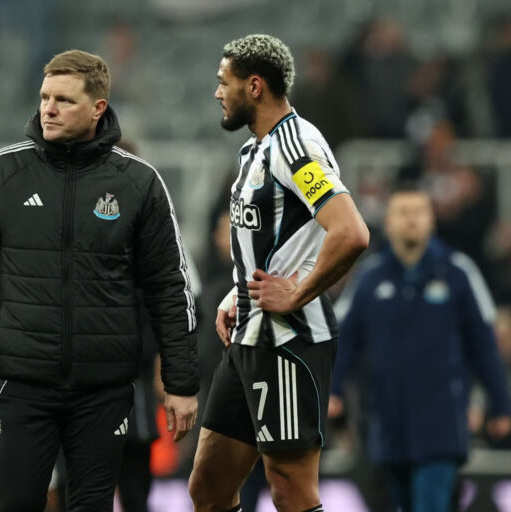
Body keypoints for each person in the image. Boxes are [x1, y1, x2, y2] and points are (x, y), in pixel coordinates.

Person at [0, 49, 199, 512]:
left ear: (98, 108)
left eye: (63, 99)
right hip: (22, 384)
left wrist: (180, 383)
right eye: (44, 97)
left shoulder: (138, 182)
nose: (49, 109)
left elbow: (168, 287)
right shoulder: (2, 173)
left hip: (104, 389)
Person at [188, 34, 370, 512]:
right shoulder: (254, 151)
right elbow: (269, 241)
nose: (216, 93)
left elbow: (350, 232)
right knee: (207, 485)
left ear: (254, 86)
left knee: (289, 487)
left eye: (222, 82)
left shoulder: (295, 146)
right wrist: (236, 292)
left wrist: (300, 293)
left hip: (288, 341)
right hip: (247, 336)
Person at [329, 187, 511, 512]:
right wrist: (333, 390)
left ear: (432, 221)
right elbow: (345, 339)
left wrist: (501, 404)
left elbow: (483, 344)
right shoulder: (369, 279)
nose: (411, 220)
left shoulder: (458, 273)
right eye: (403, 212)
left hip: (442, 420)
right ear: (387, 221)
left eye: (419, 212)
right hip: (387, 420)